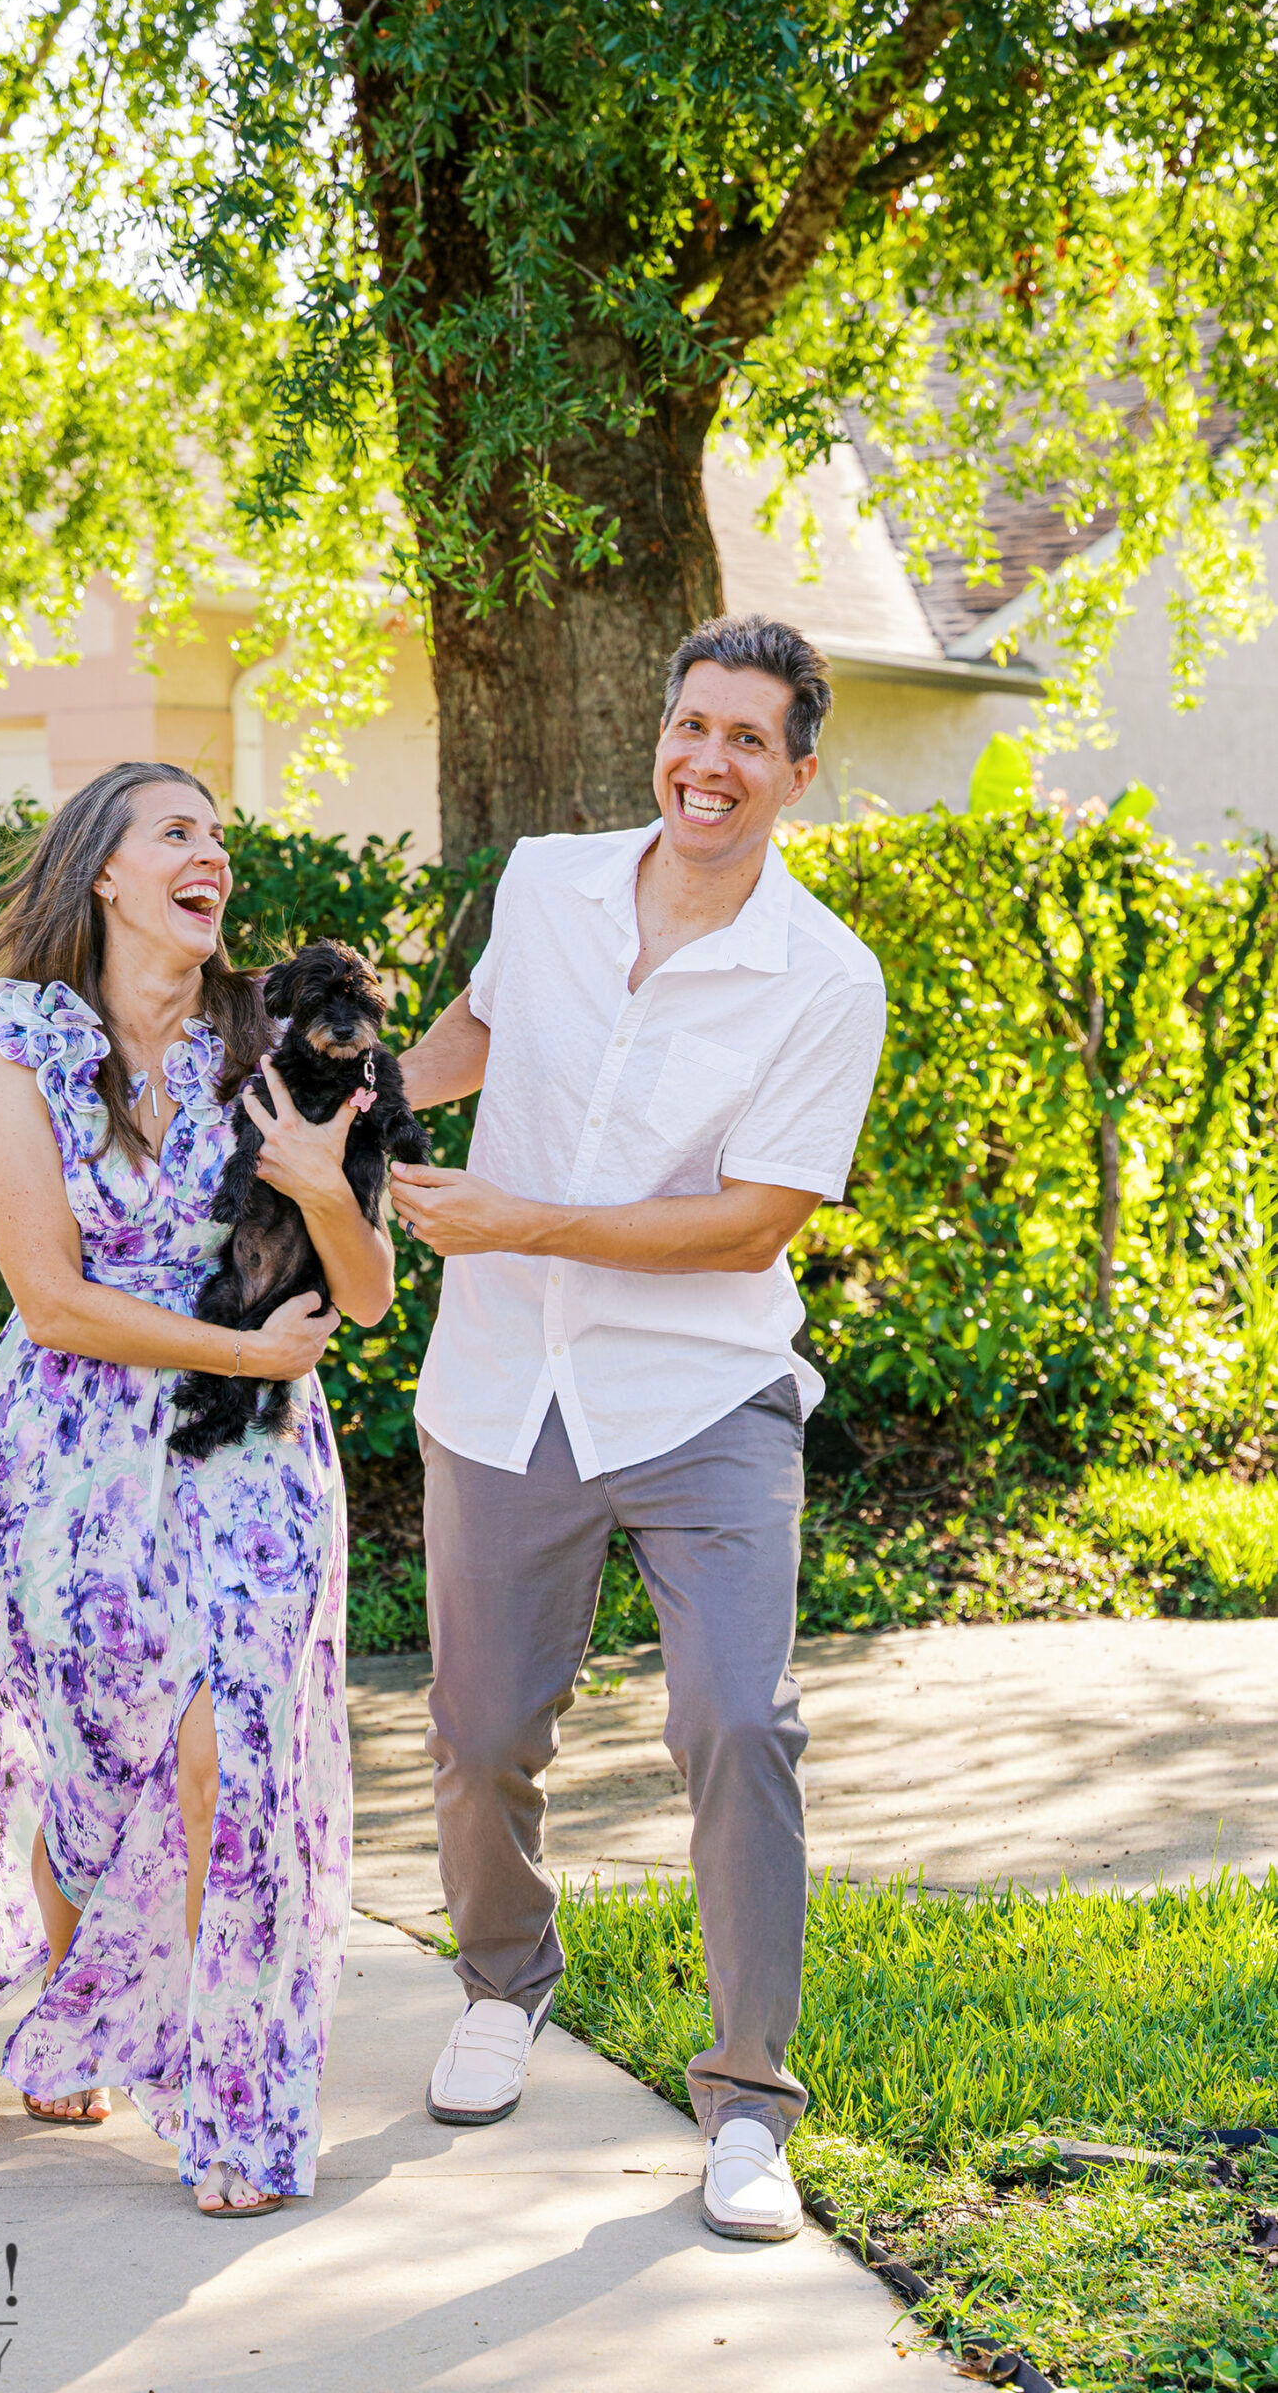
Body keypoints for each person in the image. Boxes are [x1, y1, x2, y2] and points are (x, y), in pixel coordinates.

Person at [0, 760, 396, 2217]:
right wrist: (232, 1337)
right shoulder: (22, 1038)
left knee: (237, 1756)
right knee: (104, 1761)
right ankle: (82, 1993)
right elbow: (49, 1298)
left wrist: (321, 1186)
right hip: (66, 1444)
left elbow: (362, 1302)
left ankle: (235, 2110)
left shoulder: (272, 1038)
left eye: (219, 838)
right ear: (105, 870)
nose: (211, 855)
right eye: (179, 832)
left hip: (250, 1447)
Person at [391, 615, 886, 2244]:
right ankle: (504, 1983)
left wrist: (518, 1218)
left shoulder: (824, 977)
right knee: (478, 1736)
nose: (710, 762)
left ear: (800, 774)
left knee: (740, 1726)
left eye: (750, 740)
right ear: (658, 737)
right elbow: (475, 1033)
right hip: (499, 1386)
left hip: (702, 1397)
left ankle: (748, 2103)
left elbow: (753, 1227)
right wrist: (355, 1107)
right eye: (693, 727)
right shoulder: (544, 880)